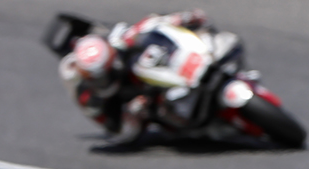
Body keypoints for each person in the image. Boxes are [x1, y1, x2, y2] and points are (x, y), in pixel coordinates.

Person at [57, 9, 214, 145]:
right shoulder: (90, 100)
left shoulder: (117, 43)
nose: (105, 80)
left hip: (157, 67)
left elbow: (146, 24)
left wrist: (180, 18)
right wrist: (133, 114)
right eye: (100, 79)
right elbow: (121, 134)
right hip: (151, 106)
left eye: (108, 71)